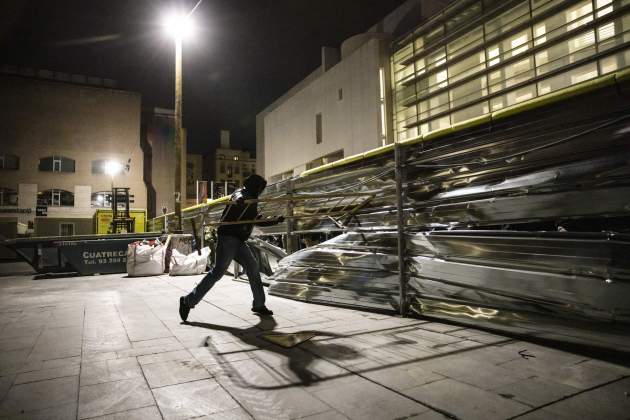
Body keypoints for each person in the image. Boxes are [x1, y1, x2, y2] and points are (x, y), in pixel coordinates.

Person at [179, 174, 283, 322]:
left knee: (253, 267)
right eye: (261, 188)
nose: (261, 191)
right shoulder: (242, 193)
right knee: (217, 273)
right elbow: (236, 197)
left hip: (239, 241)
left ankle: (259, 304)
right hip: (228, 238)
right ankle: (187, 301)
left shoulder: (252, 200)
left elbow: (256, 219)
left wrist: (274, 220)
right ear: (255, 186)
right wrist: (239, 201)